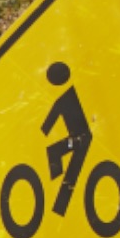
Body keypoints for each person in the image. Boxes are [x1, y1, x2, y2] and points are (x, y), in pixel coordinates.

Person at [41, 61, 92, 217]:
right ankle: (59, 194)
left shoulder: (64, 99)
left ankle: (58, 193)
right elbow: (46, 126)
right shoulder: (71, 95)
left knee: (61, 159)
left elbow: (46, 127)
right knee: (64, 161)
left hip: (80, 139)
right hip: (81, 138)